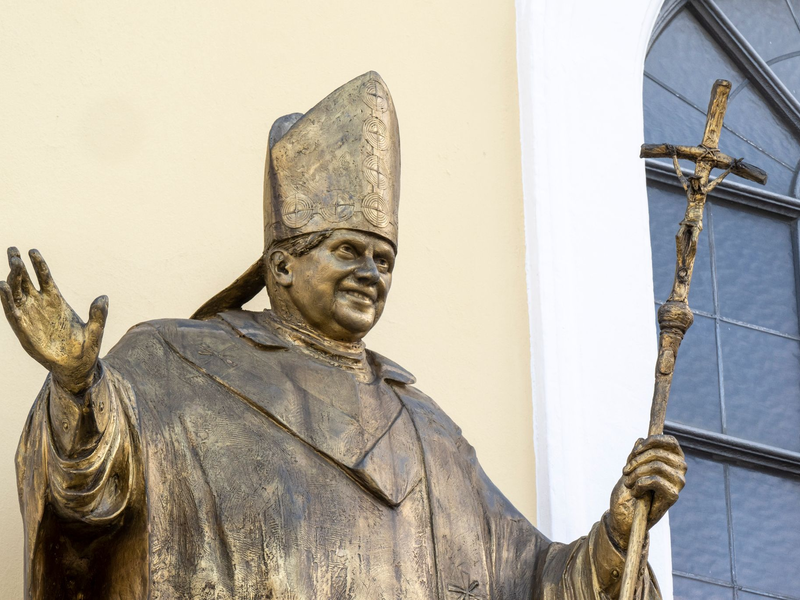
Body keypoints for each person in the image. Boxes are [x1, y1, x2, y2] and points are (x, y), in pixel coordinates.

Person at [2, 72, 685, 600]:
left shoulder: (431, 438)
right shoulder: (172, 366)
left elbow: (533, 581)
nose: (370, 273)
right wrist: (76, 386)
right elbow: (83, 500)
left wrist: (618, 535)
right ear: (282, 266)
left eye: (383, 259)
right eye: (348, 250)